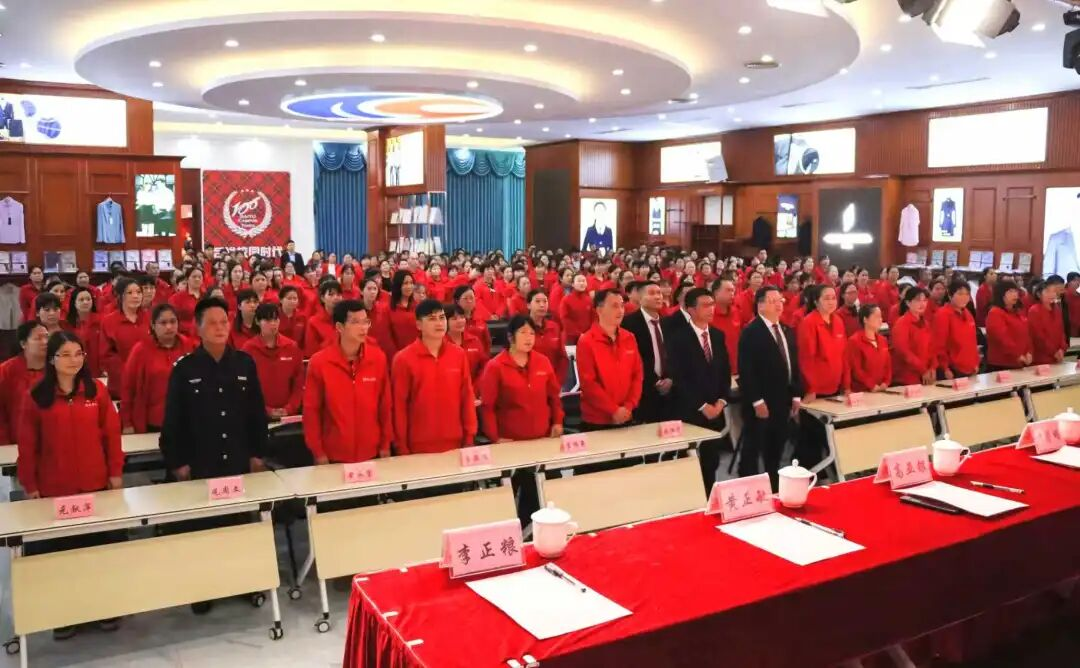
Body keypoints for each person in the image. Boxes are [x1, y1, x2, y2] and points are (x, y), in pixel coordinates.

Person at [17, 331, 124, 637]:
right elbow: (28, 445)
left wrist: (115, 472)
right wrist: (30, 484)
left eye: (79, 354)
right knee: (61, 557)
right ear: (52, 360)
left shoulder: (96, 391)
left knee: (97, 552)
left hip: (95, 485)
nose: (73, 360)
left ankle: (103, 608)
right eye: (65, 354)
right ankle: (64, 615)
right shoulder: (36, 396)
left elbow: (111, 434)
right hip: (55, 490)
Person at [160, 296, 267, 493]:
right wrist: (178, 463)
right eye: (212, 323)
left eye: (224, 322)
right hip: (200, 463)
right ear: (198, 328)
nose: (219, 328)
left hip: (239, 459)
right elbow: (173, 420)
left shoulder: (244, 363)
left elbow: (257, 413)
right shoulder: (185, 369)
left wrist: (258, 454)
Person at [303, 300, 392, 463]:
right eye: (355, 322)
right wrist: (318, 452)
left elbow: (385, 405)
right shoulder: (319, 363)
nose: (363, 328)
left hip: (371, 452)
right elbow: (312, 411)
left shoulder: (378, 358)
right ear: (339, 327)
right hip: (333, 454)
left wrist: (385, 444)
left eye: (365, 322)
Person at [665, 287, 731, 492]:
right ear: (691, 310)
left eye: (712, 304)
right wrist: (702, 406)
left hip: (715, 409)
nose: (711, 309)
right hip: (690, 410)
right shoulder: (678, 339)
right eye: (705, 305)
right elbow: (679, 378)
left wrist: (721, 401)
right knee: (688, 459)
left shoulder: (717, 335)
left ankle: (710, 496)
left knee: (712, 460)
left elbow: (725, 372)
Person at [391, 299, 477, 454]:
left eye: (442, 317)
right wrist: (401, 445)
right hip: (418, 446)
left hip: (456, 442)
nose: (439, 323)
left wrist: (469, 436)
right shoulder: (403, 359)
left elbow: (466, 397)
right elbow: (399, 406)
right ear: (419, 325)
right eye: (432, 319)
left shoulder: (458, 354)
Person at [737, 286, 802, 488]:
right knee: (753, 447)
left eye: (780, 300)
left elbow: (793, 364)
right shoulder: (751, 332)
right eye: (772, 301)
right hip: (761, 401)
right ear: (760, 305)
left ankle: (773, 485)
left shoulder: (786, 330)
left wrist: (796, 395)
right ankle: (748, 486)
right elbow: (747, 371)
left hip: (783, 398)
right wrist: (757, 401)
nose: (778, 305)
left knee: (776, 446)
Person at [479, 315, 564, 443]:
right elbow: (487, 407)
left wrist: (557, 422)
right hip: (510, 441)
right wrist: (495, 437)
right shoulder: (495, 366)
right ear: (510, 337)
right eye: (523, 332)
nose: (528, 337)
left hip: (543, 437)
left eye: (532, 333)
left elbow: (554, 397)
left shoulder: (543, 362)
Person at [121, 304, 195, 434]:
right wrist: (127, 422)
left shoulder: (190, 346)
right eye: (163, 323)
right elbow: (128, 388)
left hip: (186, 421)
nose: (169, 327)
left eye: (173, 321)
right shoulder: (140, 350)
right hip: (153, 422)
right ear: (153, 325)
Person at [575, 289, 643, 430]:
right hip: (597, 420)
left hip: (627, 415)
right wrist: (613, 410)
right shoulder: (586, 341)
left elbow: (637, 374)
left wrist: (629, 406)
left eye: (622, 306)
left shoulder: (629, 337)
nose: (621, 310)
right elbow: (588, 383)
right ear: (599, 310)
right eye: (614, 306)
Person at [622, 281, 673, 423]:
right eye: (652, 293)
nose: (658, 297)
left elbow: (674, 355)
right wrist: (654, 381)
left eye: (659, 293)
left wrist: (671, 378)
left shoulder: (668, 323)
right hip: (643, 390)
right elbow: (632, 360)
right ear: (639, 298)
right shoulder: (628, 323)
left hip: (669, 390)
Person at [243, 304, 305, 420]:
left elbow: (298, 384)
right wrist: (266, 410)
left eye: (275, 319)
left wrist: (289, 408)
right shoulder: (248, 349)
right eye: (267, 320)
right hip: (257, 415)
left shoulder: (291, 347)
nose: (273, 324)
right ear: (257, 321)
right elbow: (245, 387)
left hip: (289, 416)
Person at [100, 278, 150, 401]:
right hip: (121, 384)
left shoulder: (150, 318)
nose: (135, 296)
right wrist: (129, 370)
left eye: (138, 292)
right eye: (130, 293)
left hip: (149, 381)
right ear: (120, 296)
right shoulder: (109, 321)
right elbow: (106, 355)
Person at [0, 321, 48, 444]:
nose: (45, 342)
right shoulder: (6, 371)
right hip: (14, 443)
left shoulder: (57, 367)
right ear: (23, 343)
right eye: (38, 338)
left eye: (47, 337)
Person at [932, 281, 979, 379]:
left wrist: (975, 362)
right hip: (952, 370)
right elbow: (939, 345)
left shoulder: (968, 314)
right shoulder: (942, 314)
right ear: (950, 295)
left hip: (969, 368)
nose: (964, 297)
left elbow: (973, 342)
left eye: (967, 294)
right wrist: (945, 368)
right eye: (960, 294)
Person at [890, 287, 936, 386]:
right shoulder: (901, 323)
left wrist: (933, 367)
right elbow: (903, 352)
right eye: (918, 300)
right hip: (906, 377)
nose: (922, 304)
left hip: (926, 374)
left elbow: (932, 347)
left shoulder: (926, 323)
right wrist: (923, 369)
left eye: (925, 300)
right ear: (908, 303)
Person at [525, 289, 569, 386]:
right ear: (528, 305)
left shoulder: (554, 327)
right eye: (537, 301)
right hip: (529, 384)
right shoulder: (521, 329)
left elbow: (562, 358)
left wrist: (557, 382)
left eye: (545, 301)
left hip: (553, 382)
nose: (542, 305)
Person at [985, 280, 1033, 371]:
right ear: (1001, 294)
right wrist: (1017, 354)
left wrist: (1029, 352)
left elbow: (1027, 334)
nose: (1015, 294)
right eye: (1010, 292)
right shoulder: (995, 312)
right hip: (1001, 364)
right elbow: (1001, 339)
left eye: (1015, 291)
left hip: (1019, 362)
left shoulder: (1018, 312)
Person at [846, 304, 892, 392]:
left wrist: (886, 382)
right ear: (865, 319)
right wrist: (871, 385)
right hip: (861, 390)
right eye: (877, 316)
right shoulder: (854, 341)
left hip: (880, 389)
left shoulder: (883, 340)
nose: (880, 320)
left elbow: (888, 365)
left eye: (881, 316)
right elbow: (856, 369)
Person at [1028, 278, 1067, 366]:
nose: (1052, 294)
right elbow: (1039, 336)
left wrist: (1062, 349)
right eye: (1047, 291)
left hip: (1058, 357)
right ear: (1039, 294)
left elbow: (1061, 332)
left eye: (1054, 291)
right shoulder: (1034, 310)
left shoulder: (1057, 309)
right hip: (1041, 359)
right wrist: (1053, 352)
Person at [445, 304, 487, 385]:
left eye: (462, 317)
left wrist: (474, 387)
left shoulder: (474, 340)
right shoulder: (439, 343)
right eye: (454, 319)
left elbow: (484, 367)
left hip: (474, 388)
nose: (460, 321)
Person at [66, 286, 103, 378]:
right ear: (74, 303)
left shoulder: (101, 321)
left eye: (88, 299)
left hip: (98, 370)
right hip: (74, 370)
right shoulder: (68, 324)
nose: (85, 302)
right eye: (81, 300)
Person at [304, 280, 342, 358]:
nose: (336, 297)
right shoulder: (313, 322)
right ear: (322, 298)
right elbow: (311, 352)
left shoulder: (347, 319)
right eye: (331, 294)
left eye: (338, 294)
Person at [454, 285, 493, 356]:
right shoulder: (453, 320)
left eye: (472, 298)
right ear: (457, 301)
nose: (469, 301)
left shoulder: (480, 319)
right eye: (465, 298)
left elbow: (487, 342)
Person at [169, 266, 207, 337]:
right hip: (184, 335)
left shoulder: (207, 296)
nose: (197, 279)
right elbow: (171, 318)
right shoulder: (176, 298)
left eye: (199, 277)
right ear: (187, 279)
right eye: (194, 276)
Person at [388, 270, 419, 355]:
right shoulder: (388, 309)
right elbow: (387, 337)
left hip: (417, 353)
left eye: (411, 283)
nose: (409, 286)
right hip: (398, 354)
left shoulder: (417, 306)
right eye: (405, 283)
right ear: (398, 285)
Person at [558, 273, 594, 345]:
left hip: (588, 337)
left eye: (583, 281)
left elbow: (594, 318)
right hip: (571, 338)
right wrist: (579, 334)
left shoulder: (589, 300)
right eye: (579, 281)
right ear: (573, 284)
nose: (582, 283)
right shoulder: (566, 300)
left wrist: (590, 333)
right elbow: (564, 319)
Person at [277, 285, 306, 351]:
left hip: (296, 351)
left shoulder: (302, 317)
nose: (292, 301)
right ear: (281, 300)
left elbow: (304, 340)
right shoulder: (274, 316)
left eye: (295, 298)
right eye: (289, 298)